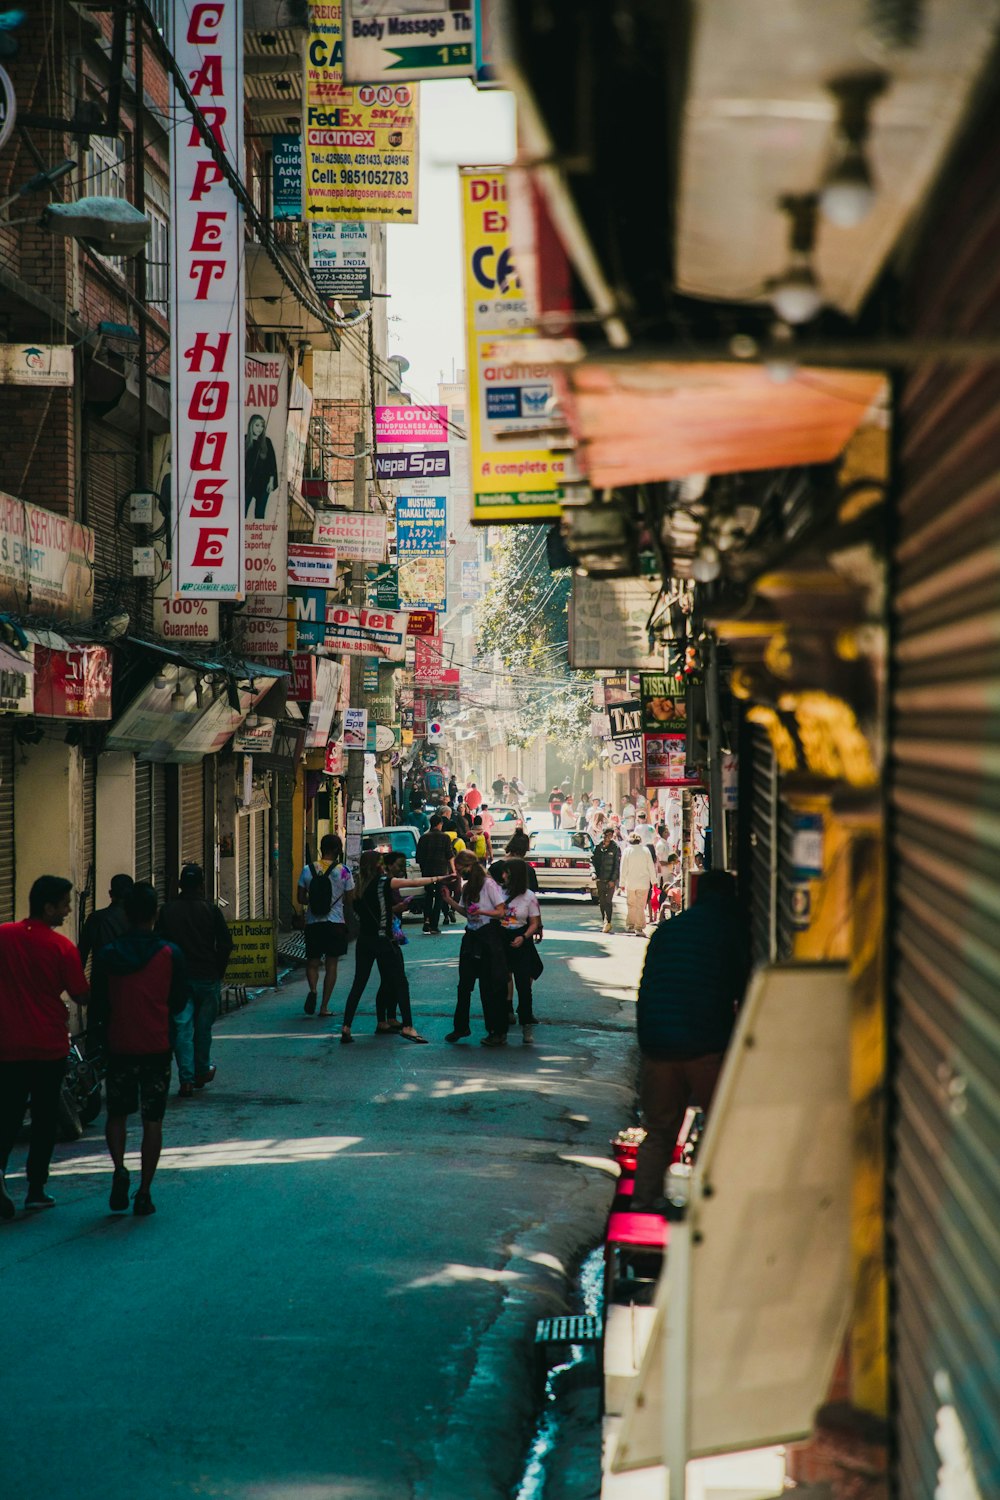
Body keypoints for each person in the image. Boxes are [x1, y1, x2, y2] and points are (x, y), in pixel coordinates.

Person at [632, 870, 749, 1212]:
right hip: (704, 1044)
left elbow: (648, 986)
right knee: (717, 1130)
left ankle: (642, 1204)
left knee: (658, 1130)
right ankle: (707, 1208)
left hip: (657, 1043)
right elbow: (743, 990)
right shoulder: (730, 931)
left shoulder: (669, 930)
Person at [90, 883, 189, 1217]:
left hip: (120, 1045)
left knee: (117, 1113)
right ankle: (144, 1192)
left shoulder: (107, 955)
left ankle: (119, 1168)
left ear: (126, 914)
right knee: (152, 1119)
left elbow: (99, 1005)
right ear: (154, 914)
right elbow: (179, 1001)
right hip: (157, 1046)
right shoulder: (169, 953)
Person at [0, 876, 89, 1218]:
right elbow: (81, 994)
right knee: (43, 1118)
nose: (68, 910)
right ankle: (35, 1188)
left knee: (7, 1113)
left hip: (7, 1046)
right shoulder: (61, 947)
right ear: (48, 906)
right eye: (65, 904)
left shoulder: (4, 936)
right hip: (47, 1047)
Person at [340, 852, 440, 1044]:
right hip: (382, 940)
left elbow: (361, 914)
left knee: (358, 984)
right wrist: (438, 878)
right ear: (378, 865)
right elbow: (412, 883)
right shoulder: (383, 882)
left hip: (364, 941)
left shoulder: (356, 887)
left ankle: (346, 1027)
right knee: (400, 982)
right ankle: (408, 1026)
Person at [157, 863, 233, 1095]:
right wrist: (218, 969)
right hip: (207, 977)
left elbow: (158, 945)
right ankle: (201, 1070)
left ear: (180, 885)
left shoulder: (167, 911)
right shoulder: (210, 910)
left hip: (178, 980)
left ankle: (187, 1080)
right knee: (203, 1029)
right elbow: (226, 943)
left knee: (182, 1029)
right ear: (202, 885)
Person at [441, 855, 508, 1045]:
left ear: (470, 866)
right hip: (472, 936)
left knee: (489, 986)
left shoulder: (488, 884)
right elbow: (465, 911)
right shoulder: (468, 887)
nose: (459, 872)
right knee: (464, 985)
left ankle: (496, 1030)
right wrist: (449, 901)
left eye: (461, 868)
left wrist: (482, 912)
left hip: (488, 936)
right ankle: (461, 1027)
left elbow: (501, 911)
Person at [297, 835, 355, 1016]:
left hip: (313, 923)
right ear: (338, 850)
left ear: (321, 848)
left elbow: (300, 898)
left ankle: (313, 990)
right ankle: (324, 1007)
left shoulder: (307, 870)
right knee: (331, 964)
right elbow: (350, 899)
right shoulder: (344, 871)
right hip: (335, 923)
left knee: (313, 962)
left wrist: (314, 902)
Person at [499, 859, 543, 1044]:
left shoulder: (529, 897)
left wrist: (524, 937)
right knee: (501, 984)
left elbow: (534, 922)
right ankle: (500, 1029)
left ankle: (526, 1025)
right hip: (501, 940)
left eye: (507, 872)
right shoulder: (498, 892)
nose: (503, 876)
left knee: (524, 986)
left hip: (521, 939)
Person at [78, 873, 134, 970]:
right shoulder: (138, 919)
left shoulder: (95, 918)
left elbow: (81, 955)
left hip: (101, 980)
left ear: (110, 893)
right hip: (130, 981)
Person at [415, 815, 455, 934]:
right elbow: (450, 855)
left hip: (427, 872)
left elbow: (418, 858)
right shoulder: (445, 837)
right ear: (439, 824)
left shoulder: (423, 838)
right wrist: (453, 871)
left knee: (428, 896)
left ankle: (426, 920)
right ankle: (434, 925)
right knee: (439, 897)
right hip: (441, 872)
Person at [244, 412, 279, 520]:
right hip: (247, 481)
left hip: (263, 482)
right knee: (242, 512)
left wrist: (271, 481)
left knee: (260, 513)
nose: (260, 429)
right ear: (251, 425)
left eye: (262, 426)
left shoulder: (266, 442)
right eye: (257, 425)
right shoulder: (244, 440)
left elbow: (272, 464)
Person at [621, 832, 657, 935]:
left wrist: (622, 883)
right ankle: (639, 927)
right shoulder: (645, 850)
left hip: (630, 883)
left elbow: (623, 868)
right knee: (640, 906)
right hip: (643, 883)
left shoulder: (627, 851)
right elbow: (651, 866)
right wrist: (654, 881)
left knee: (631, 904)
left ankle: (630, 925)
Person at [592, 827, 621, 934]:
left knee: (608, 901)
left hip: (610, 880)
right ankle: (604, 920)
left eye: (610, 835)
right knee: (602, 902)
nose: (608, 837)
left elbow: (617, 866)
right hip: (600, 879)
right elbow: (593, 861)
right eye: (606, 834)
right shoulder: (598, 847)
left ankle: (608, 921)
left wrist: (613, 880)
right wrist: (593, 873)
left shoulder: (615, 848)